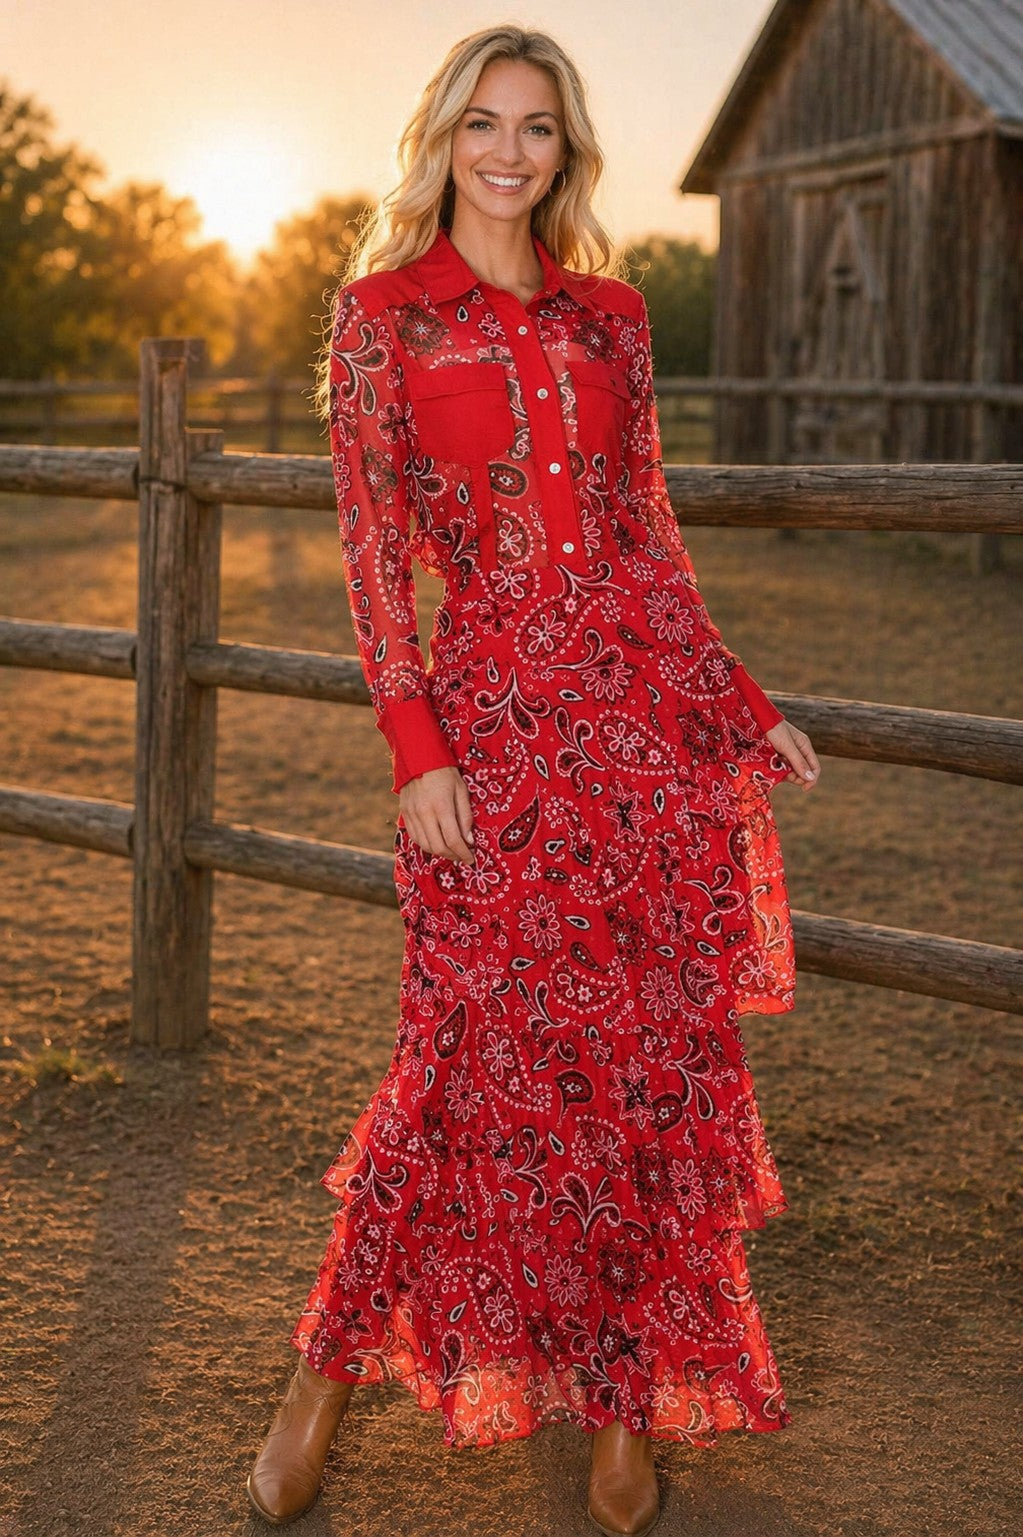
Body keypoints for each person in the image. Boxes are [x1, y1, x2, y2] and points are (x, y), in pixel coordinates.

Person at [247, 22, 820, 1536]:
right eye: (484, 123)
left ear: (567, 151)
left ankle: (626, 1402)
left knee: (643, 1063)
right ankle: (323, 1368)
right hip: (489, 736)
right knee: (453, 1056)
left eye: (539, 129)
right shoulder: (383, 321)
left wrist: (736, 705)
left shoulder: (612, 319)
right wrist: (417, 748)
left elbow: (651, 542)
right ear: (440, 138)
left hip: (634, 739)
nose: (509, 151)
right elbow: (376, 571)